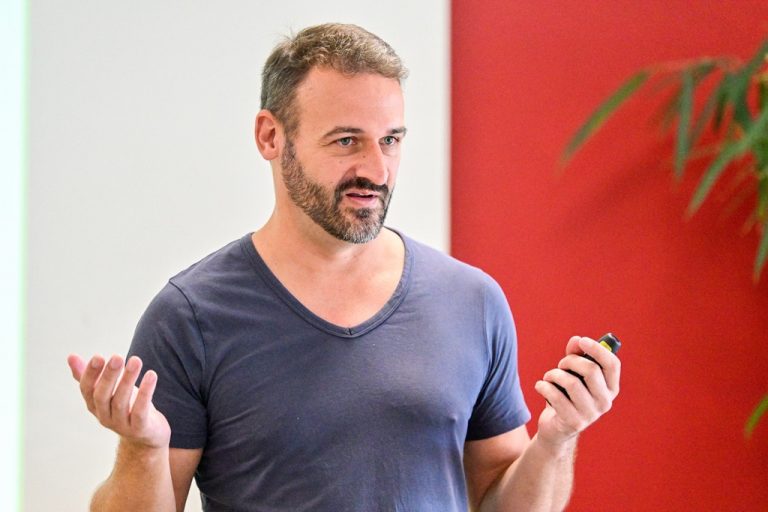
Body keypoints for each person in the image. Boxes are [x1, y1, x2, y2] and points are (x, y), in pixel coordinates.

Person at [67, 23, 621, 512]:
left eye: (391, 140)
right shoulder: (191, 317)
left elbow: (501, 502)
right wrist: (142, 449)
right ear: (270, 136)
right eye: (347, 140)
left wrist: (557, 438)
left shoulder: (471, 301)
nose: (376, 170)